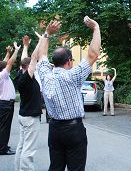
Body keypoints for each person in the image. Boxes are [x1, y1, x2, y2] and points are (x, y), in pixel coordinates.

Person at [37, 16, 101, 171]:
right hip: (73, 129)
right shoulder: (73, 76)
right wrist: (96, 28)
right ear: (69, 62)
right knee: (76, 168)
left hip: (54, 129)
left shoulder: (45, 74)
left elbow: (41, 55)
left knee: (56, 167)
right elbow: (93, 54)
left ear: (54, 61)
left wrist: (47, 33)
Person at [15, 35, 42, 170]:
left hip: (23, 116)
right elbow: (33, 58)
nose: (35, 66)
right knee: (29, 149)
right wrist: (44, 38)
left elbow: (24, 60)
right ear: (28, 67)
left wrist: (25, 46)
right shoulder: (26, 78)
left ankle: (18, 168)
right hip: (30, 118)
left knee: (22, 145)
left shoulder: (20, 74)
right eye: (33, 65)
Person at [0, 42, 21, 155]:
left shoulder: (1, 74)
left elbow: (5, 62)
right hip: (5, 104)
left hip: (4, 104)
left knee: (3, 127)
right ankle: (2, 149)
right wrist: (16, 50)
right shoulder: (2, 75)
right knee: (4, 128)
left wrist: (8, 53)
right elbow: (9, 63)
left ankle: (3, 146)